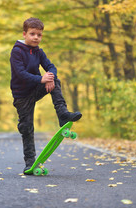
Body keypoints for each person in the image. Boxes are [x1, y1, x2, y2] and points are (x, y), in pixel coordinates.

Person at [10, 17, 82, 174]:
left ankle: (62, 114)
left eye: (39, 35)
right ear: (24, 34)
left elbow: (50, 66)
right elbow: (21, 74)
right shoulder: (17, 51)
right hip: (22, 96)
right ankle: (30, 162)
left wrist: (50, 76)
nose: (36, 37)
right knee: (27, 128)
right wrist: (41, 78)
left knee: (56, 79)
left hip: (35, 89)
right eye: (32, 34)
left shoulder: (38, 52)